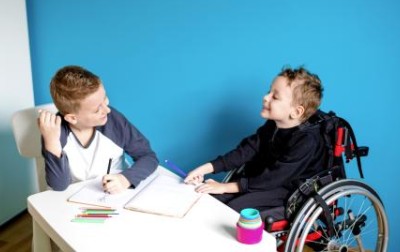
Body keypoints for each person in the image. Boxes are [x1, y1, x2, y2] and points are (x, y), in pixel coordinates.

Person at [184, 66, 325, 213]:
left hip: (290, 189)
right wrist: (205, 168)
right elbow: (247, 150)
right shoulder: (274, 125)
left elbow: (274, 177)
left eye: (275, 97)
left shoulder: (307, 141)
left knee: (231, 210)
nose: (266, 97)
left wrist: (225, 187)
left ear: (296, 111)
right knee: (211, 198)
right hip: (265, 180)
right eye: (268, 92)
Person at [38, 65, 159, 194]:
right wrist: (51, 142)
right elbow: (59, 185)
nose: (107, 110)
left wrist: (125, 179)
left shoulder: (113, 120)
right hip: (75, 198)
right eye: (97, 110)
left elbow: (148, 156)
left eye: (105, 99)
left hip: (116, 193)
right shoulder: (54, 132)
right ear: (72, 118)